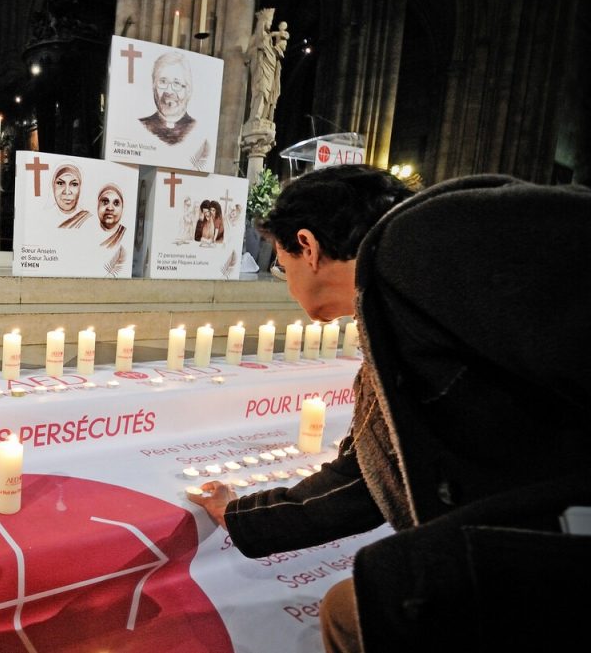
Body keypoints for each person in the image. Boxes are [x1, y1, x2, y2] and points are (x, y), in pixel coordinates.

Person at [190, 164, 591, 652]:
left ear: (308, 247)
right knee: (362, 603)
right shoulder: (391, 302)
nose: (285, 280)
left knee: (384, 598)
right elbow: (366, 476)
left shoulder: (420, 241)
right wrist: (242, 515)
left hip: (552, 530)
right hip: (518, 532)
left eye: (281, 262)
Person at [139, 52, 196, 145]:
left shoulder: (196, 130)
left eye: (176, 83)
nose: (169, 91)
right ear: (153, 86)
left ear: (188, 90)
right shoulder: (141, 126)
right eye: (163, 82)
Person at [52, 163, 90, 228]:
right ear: (53, 186)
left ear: (80, 188)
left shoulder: (89, 219)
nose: (67, 192)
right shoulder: (43, 216)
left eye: (74, 184)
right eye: (60, 183)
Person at [96, 183, 125, 248]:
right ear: (97, 206)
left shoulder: (126, 236)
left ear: (122, 208)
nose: (110, 208)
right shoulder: (88, 232)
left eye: (116, 203)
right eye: (105, 202)